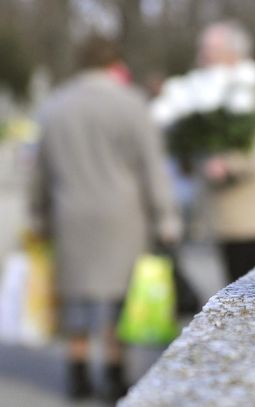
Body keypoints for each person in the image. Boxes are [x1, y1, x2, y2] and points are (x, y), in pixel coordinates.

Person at [30, 36, 181, 401]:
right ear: (114, 63)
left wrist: (38, 215)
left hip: (71, 214)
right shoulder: (132, 104)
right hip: (122, 217)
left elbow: (40, 171)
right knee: (118, 297)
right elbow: (152, 168)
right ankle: (114, 375)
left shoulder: (55, 107)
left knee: (76, 295)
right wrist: (165, 215)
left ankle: (77, 373)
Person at [153, 21, 255, 282]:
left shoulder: (252, 88)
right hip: (219, 213)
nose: (202, 56)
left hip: (249, 214)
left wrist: (230, 164)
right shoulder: (203, 89)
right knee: (229, 280)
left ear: (232, 53)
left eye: (209, 50)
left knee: (249, 285)